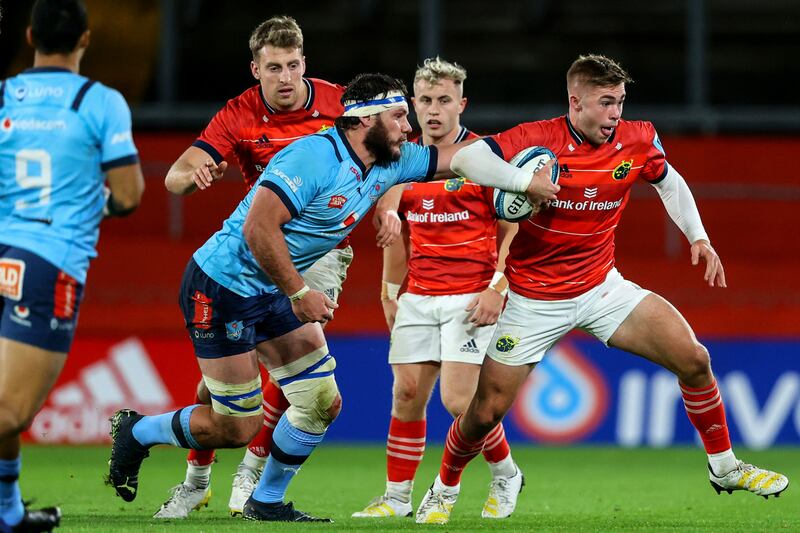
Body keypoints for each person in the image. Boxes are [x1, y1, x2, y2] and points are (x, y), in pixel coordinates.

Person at [105, 72, 559, 522]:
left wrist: (523, 173)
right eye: (399, 116)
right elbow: (258, 228)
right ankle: (138, 432)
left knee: (322, 401)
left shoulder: (391, 160)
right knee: (236, 427)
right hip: (223, 288)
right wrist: (299, 292)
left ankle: (265, 501)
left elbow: (460, 157)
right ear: (364, 121)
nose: (408, 126)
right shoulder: (312, 158)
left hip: (270, 289)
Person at [413, 54, 790, 525]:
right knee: (482, 414)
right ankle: (444, 487)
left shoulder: (637, 138)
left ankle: (726, 468)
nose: (616, 114)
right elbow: (468, 157)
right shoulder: (536, 138)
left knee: (694, 359)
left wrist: (699, 237)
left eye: (621, 102)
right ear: (576, 102)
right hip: (534, 301)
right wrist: (521, 182)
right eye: (606, 103)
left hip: (601, 288)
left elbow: (670, 184)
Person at [155, 15, 396, 520]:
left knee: (297, 369)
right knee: (228, 376)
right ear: (255, 69)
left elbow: (392, 153)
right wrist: (193, 173)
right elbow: (174, 178)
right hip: (257, 251)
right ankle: (197, 478)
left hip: (322, 250)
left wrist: (390, 205)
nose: (284, 78)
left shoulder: (339, 103)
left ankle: (252, 468)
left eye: (292, 66)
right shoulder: (239, 113)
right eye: (273, 68)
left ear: (304, 63)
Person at [352, 57, 522, 520]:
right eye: (424, 100)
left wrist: (498, 286)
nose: (433, 110)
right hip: (419, 295)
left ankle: (505, 474)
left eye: (444, 100)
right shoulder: (400, 162)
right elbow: (395, 233)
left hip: (472, 295)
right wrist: (389, 293)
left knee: (459, 401)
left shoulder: (482, 158)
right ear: (413, 103)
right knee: (406, 395)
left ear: (461, 104)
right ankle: (396, 498)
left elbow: (514, 230)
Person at [0, 1, 144, 531]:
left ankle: (7, 511)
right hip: (47, 262)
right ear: (85, 39)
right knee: (12, 412)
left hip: (3, 252)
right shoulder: (99, 103)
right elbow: (129, 194)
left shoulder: (3, 95)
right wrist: (92, 202)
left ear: (31, 34)